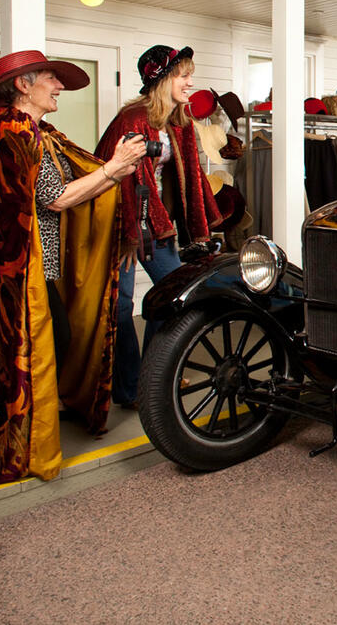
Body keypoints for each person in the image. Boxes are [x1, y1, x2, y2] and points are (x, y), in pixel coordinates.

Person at [0, 50, 147, 483]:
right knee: (30, 351)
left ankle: (45, 413)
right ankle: (23, 444)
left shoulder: (36, 132)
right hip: (12, 270)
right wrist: (114, 171)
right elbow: (56, 197)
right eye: (50, 78)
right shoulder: (13, 131)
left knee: (53, 339)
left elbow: (64, 183)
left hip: (30, 266)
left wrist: (108, 170)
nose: (59, 86)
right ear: (23, 85)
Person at [95, 45, 222, 409]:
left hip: (153, 219)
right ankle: (129, 387)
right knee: (119, 306)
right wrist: (134, 232)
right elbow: (121, 179)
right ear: (162, 80)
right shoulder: (132, 119)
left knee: (172, 295)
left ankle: (151, 374)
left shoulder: (177, 119)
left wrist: (202, 223)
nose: (189, 82)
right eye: (183, 75)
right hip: (118, 221)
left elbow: (193, 175)